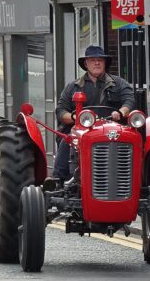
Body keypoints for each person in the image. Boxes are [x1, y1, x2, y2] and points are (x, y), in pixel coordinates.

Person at [53, 45, 136, 181]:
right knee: (67, 140)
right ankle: (58, 180)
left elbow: (129, 101)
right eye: (92, 60)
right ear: (86, 64)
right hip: (81, 131)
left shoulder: (119, 84)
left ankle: (138, 179)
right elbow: (61, 110)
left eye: (100, 60)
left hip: (114, 130)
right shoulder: (72, 87)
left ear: (105, 63)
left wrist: (121, 112)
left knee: (136, 138)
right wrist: (74, 117)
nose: (96, 63)